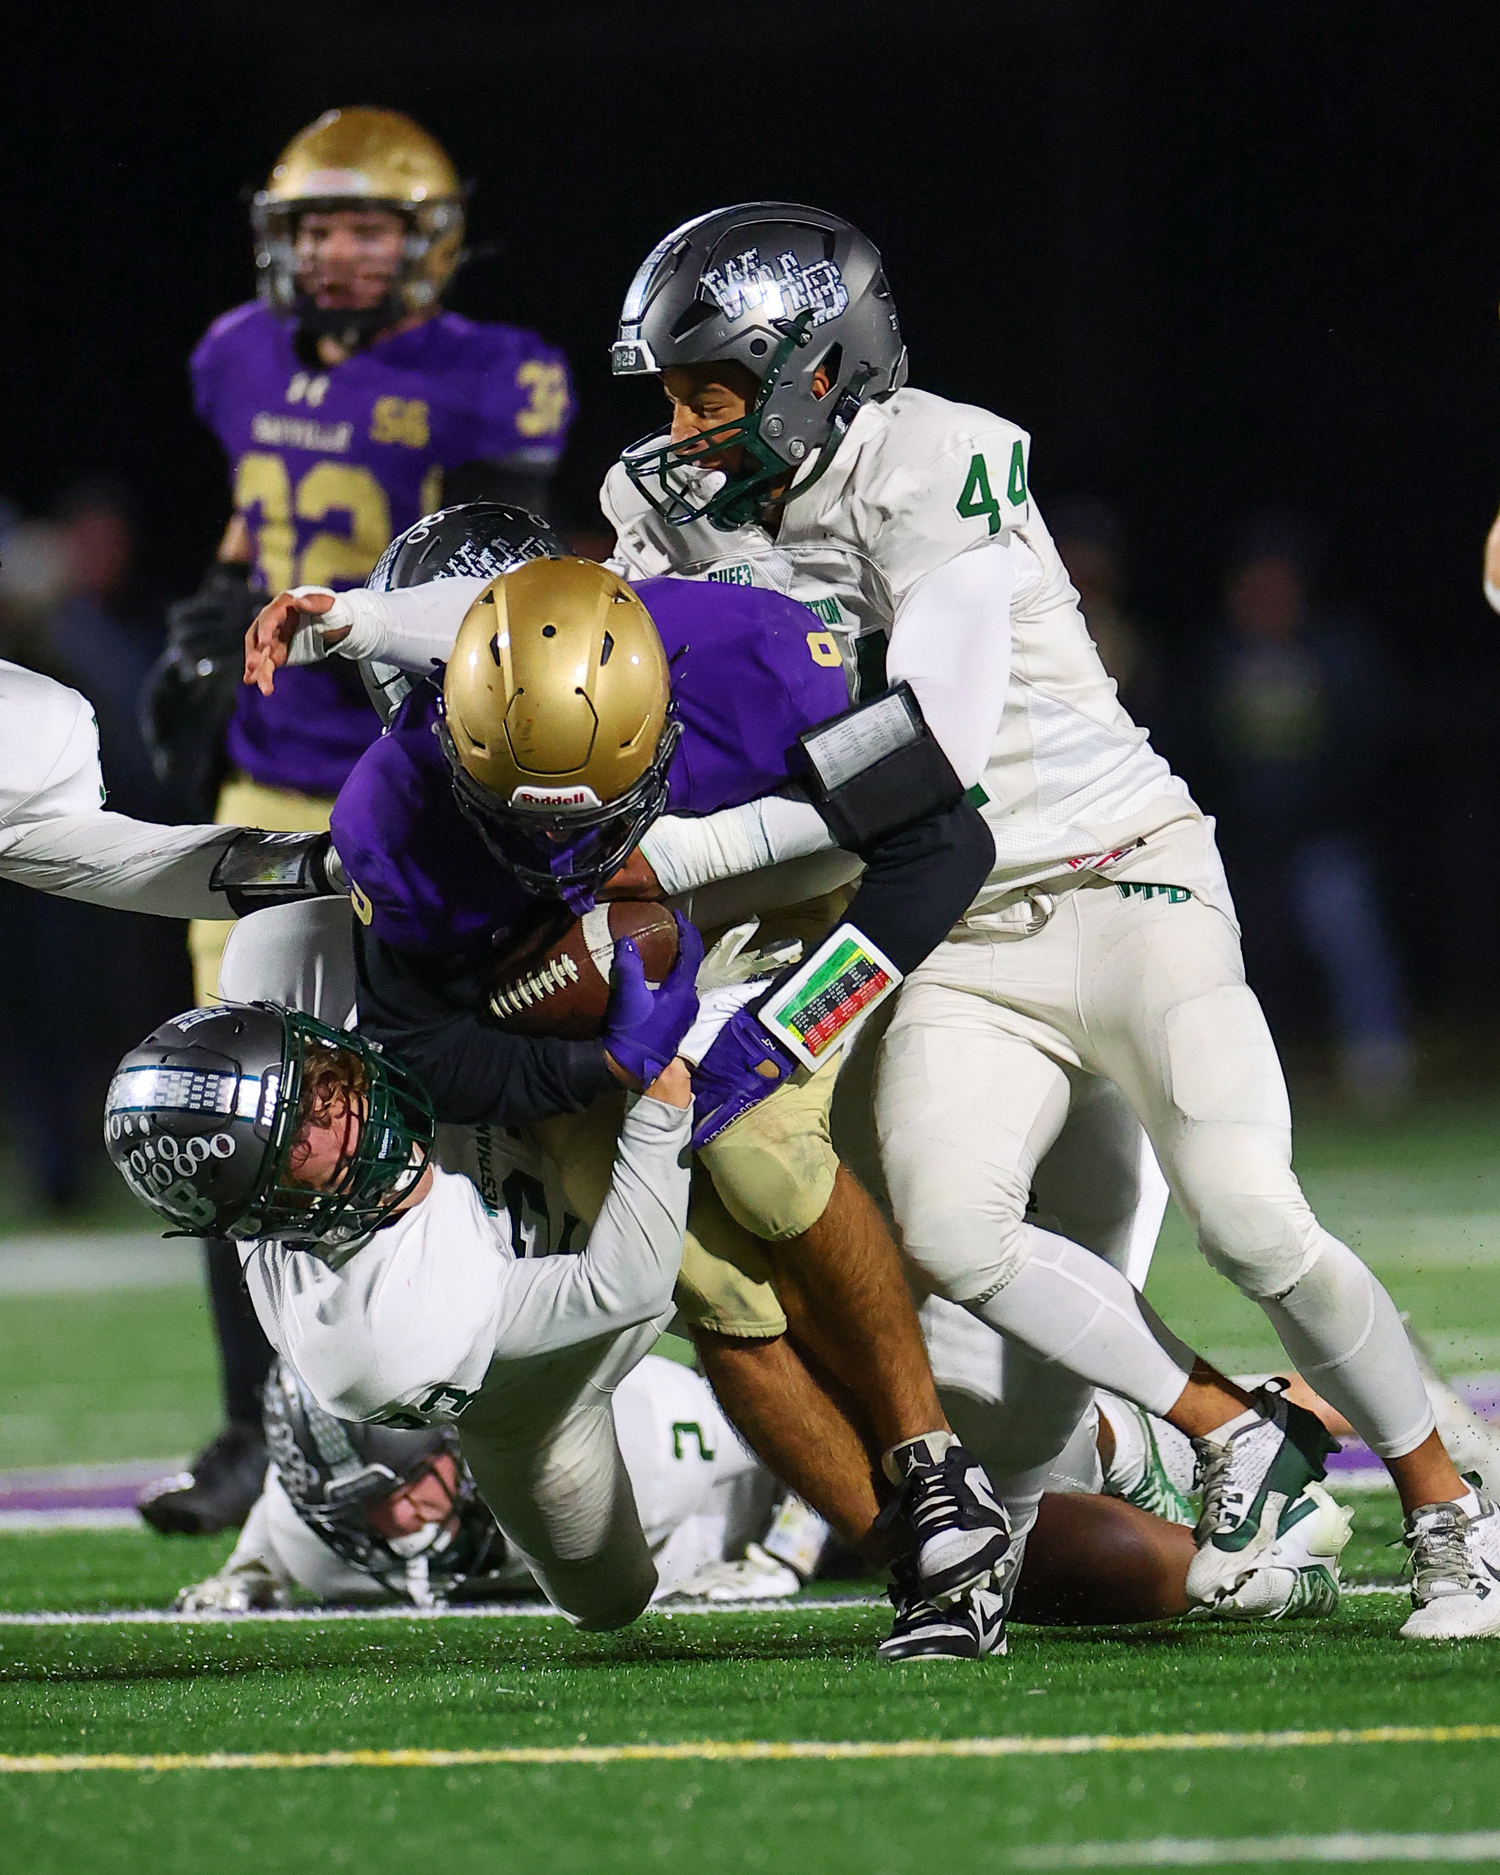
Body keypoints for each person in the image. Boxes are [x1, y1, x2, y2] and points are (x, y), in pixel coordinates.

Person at [592, 201, 1500, 1644]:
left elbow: (934, 750)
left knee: (1254, 1216)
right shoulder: (671, 505)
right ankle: (1231, 1432)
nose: (687, 426)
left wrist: (694, 844)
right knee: (952, 1236)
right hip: (955, 926)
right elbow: (615, 683)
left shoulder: (935, 453)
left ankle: (1453, 1510)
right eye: (674, 393)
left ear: (821, 371)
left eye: (716, 389)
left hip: (1121, 870)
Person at [244, 540, 1016, 1651]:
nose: (559, 850)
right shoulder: (396, 813)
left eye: (583, 814)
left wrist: (793, 1022)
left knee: (759, 1146)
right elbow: (429, 1051)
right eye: (523, 819)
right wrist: (596, 1068)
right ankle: (930, 1571)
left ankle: (933, 1469)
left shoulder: (758, 664)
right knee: (692, 1268)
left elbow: (945, 840)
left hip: (770, 901)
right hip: (580, 1007)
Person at [138, 107, 577, 1537]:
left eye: (367, 225)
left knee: (424, 1086)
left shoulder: (492, 377)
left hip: (413, 779)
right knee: (238, 1094)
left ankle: (471, 1412)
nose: (336, 250)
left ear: (426, 240)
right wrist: (204, 627)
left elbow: (503, 564)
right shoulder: (235, 353)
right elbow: (244, 524)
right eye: (316, 223)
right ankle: (249, 1428)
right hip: (267, 777)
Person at [104, 968, 718, 1631]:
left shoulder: (283, 967)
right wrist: (661, 1099)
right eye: (302, 1124)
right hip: (549, 1382)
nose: (338, 1097)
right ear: (271, 1207)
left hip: (543, 1165)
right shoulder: (378, 1336)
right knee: (609, 1600)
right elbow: (622, 1287)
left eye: (312, 1074)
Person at [174, 1353, 783, 1612]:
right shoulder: (321, 1542)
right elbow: (282, 1519)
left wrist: (787, 1555)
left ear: (456, 1431)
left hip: (745, 1509)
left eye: (410, 1484)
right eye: (367, 1508)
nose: (402, 1520)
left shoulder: (637, 1436)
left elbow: (790, 1436)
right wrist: (249, 1571)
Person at [1202, 519, 1413, 1111]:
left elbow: (1370, 741)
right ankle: (1235, 1077)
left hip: (1322, 837)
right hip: (1240, 842)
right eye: (1252, 586)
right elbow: (1192, 746)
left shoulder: (1336, 652)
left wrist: (1320, 809)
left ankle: (1378, 1059)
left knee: (1348, 925)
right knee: (1219, 945)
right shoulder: (1219, 660)